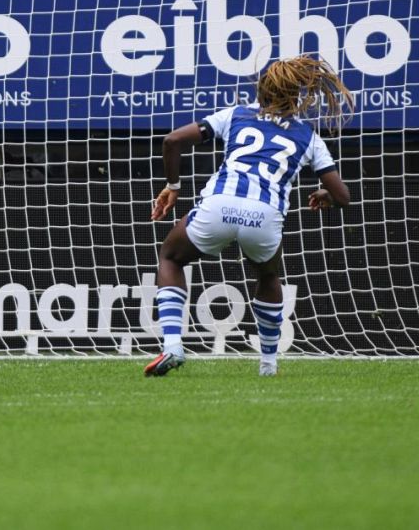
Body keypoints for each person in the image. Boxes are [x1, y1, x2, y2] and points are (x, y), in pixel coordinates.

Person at [145, 55, 354, 379]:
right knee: (268, 278)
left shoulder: (236, 115)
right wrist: (326, 195)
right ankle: (268, 366)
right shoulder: (309, 138)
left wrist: (173, 186)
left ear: (261, 91)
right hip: (265, 216)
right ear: (296, 98)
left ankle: (173, 346)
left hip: (219, 206)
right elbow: (342, 196)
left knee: (171, 257)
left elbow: (172, 140)